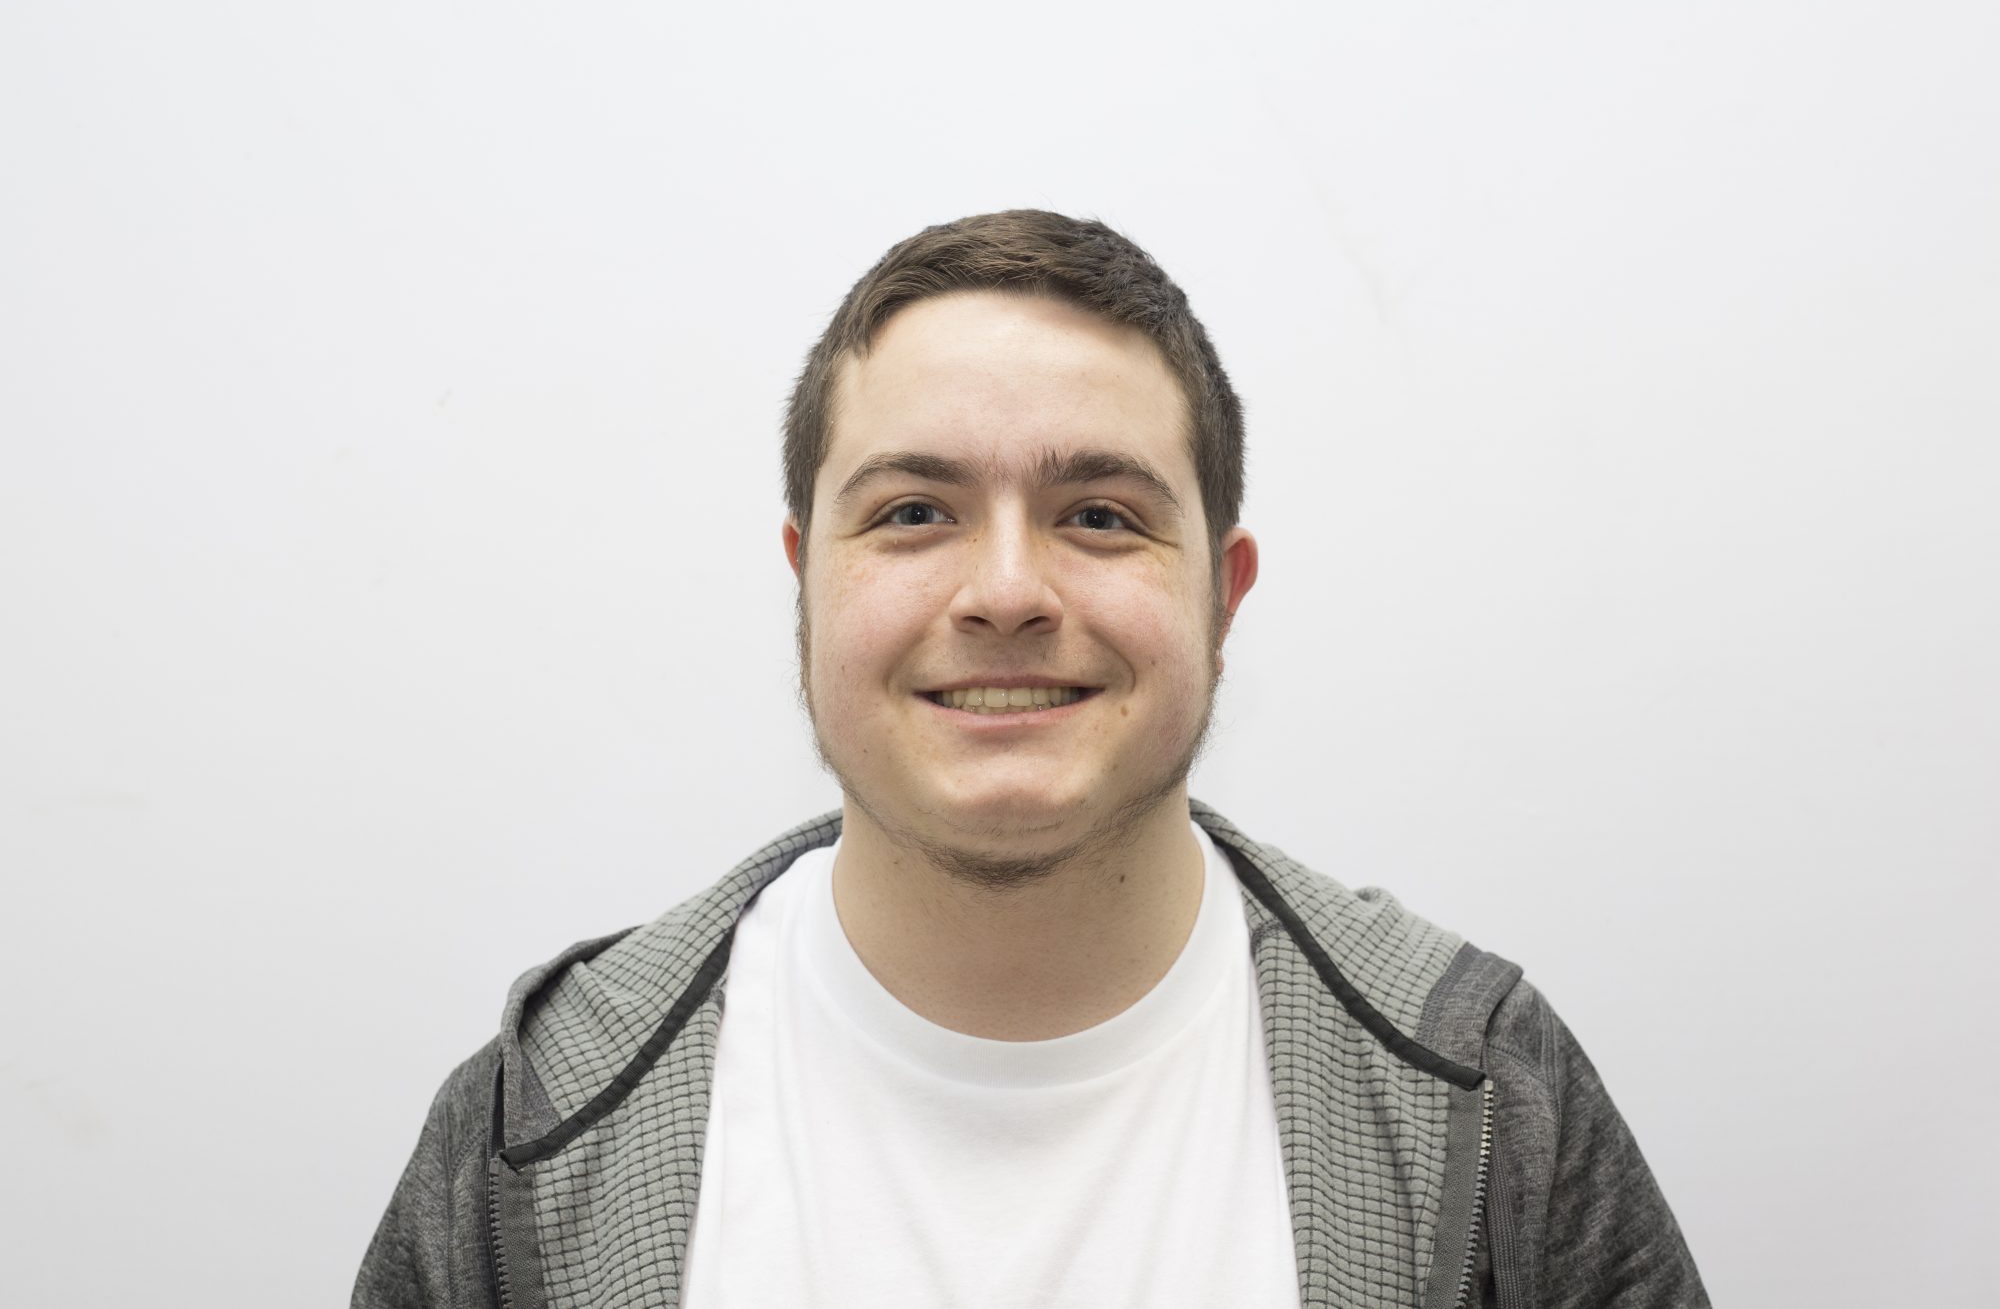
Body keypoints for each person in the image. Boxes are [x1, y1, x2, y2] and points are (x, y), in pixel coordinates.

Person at [352, 210, 1709, 1309]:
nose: (1006, 591)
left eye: (1100, 514)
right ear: (806, 580)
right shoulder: (536, 1122)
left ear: (1223, 597)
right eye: (914, 511)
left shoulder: (1484, 1091)